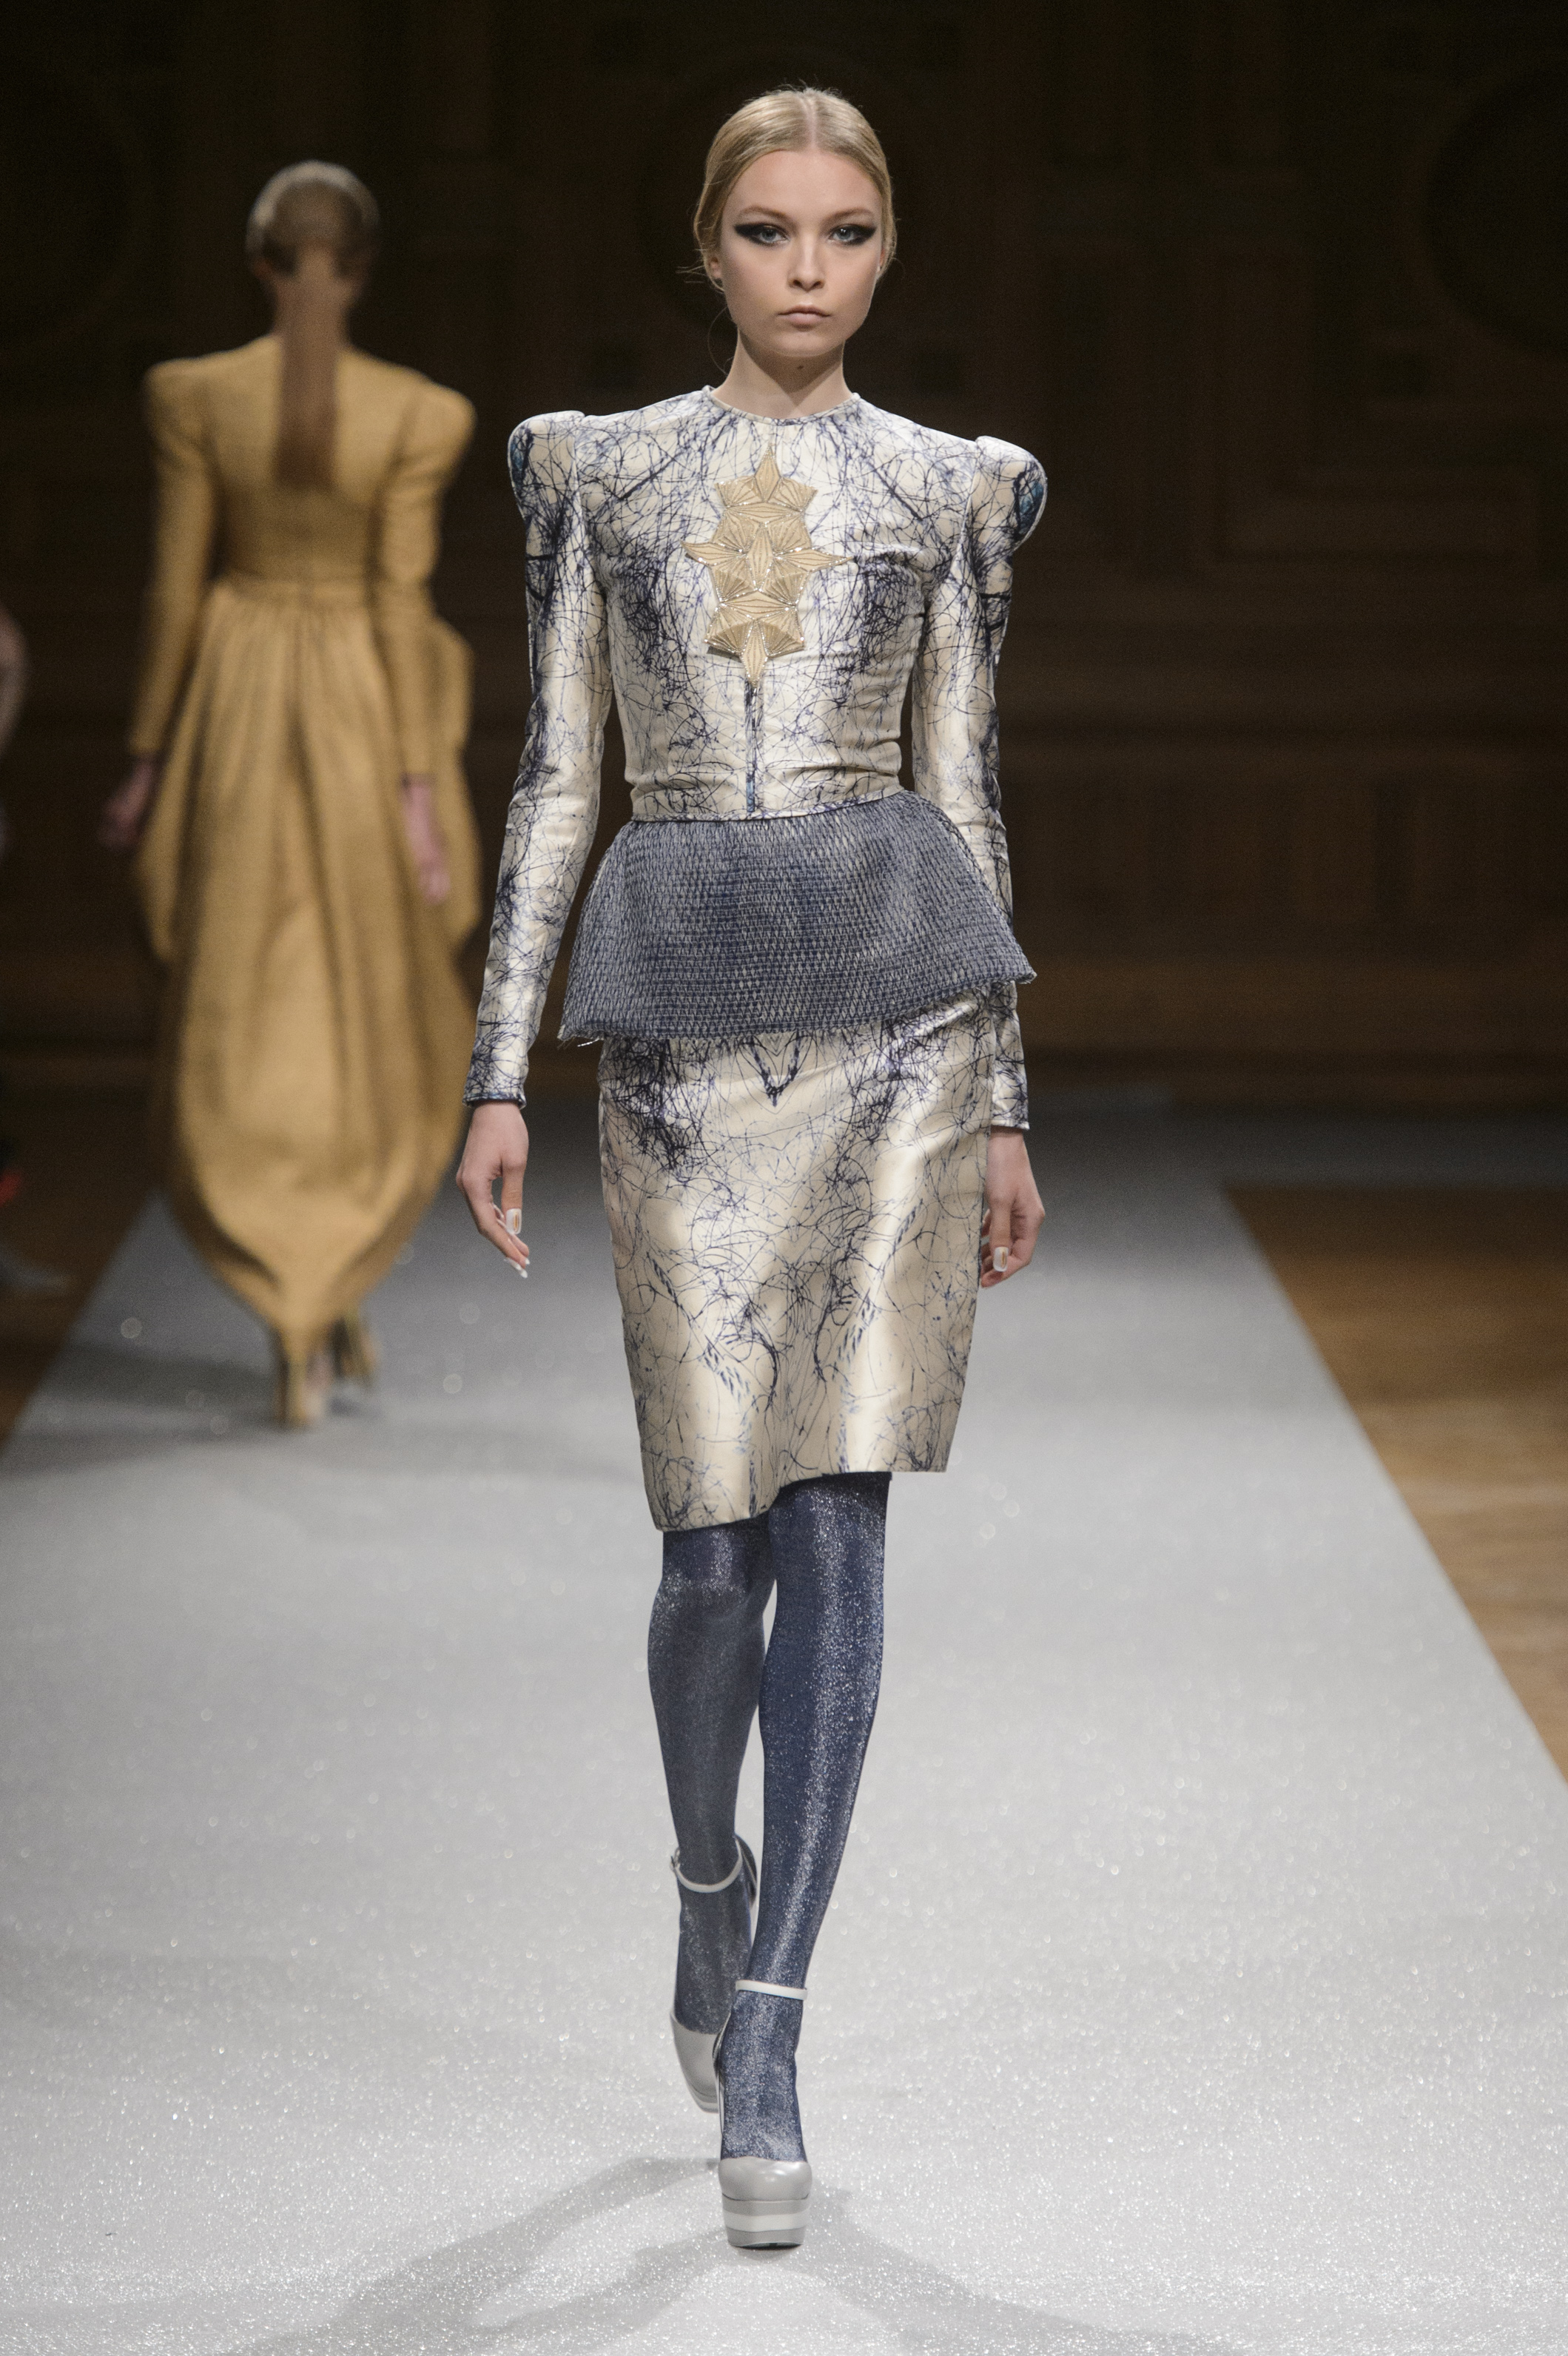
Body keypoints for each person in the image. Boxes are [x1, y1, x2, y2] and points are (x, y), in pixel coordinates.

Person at [457, 87, 1046, 2249]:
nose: (811, 268)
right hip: (682, 1041)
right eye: (772, 230)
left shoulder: (952, 488)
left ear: (890, 249)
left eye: (849, 231)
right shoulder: (594, 472)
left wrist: (1005, 1099)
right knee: (709, 1555)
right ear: (705, 245)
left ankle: (777, 2018)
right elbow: (556, 774)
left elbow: (966, 791)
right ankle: (706, 1877)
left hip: (899, 1028)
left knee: (841, 1519)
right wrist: (496, 1069)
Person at [101, 163, 480, 1424]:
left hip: (239, 704)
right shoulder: (418, 412)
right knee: (365, 1012)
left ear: (260, 264)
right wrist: (420, 793)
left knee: (247, 1004)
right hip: (365, 713)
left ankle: (300, 1303)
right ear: (360, 272)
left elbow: (173, 586)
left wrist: (148, 757)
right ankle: (330, 1288)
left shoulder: (194, 395)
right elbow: (399, 600)